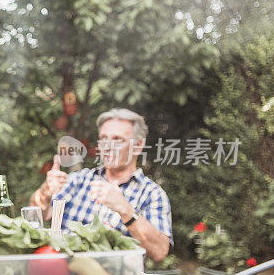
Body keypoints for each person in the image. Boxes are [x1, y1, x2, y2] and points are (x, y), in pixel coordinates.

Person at [29, 108, 172, 262]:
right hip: (64, 274)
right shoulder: (78, 180)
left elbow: (160, 251)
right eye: (104, 138)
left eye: (118, 139)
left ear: (137, 145)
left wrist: (126, 211)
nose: (108, 146)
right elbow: (34, 217)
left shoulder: (152, 194)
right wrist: (45, 191)